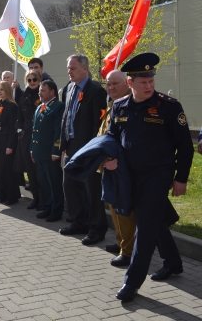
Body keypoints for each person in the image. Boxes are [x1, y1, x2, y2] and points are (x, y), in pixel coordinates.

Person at [105, 53, 194, 302]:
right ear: (131, 82)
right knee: (155, 220)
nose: (149, 85)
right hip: (129, 176)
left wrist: (181, 178)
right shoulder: (120, 107)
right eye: (143, 81)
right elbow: (111, 139)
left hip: (158, 175)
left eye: (151, 79)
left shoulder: (168, 106)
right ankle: (173, 262)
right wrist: (106, 159)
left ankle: (132, 283)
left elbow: (185, 146)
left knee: (144, 228)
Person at [59, 54, 108, 245]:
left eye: (73, 68)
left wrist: (96, 149)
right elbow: (66, 117)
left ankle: (97, 228)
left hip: (88, 148)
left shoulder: (96, 90)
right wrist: (63, 145)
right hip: (71, 146)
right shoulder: (69, 88)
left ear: (85, 69)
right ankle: (79, 221)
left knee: (92, 190)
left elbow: (99, 123)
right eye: (68, 68)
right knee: (70, 185)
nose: (69, 71)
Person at [98, 70, 137, 268]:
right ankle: (122, 242)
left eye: (115, 84)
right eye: (108, 84)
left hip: (121, 166)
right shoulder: (113, 105)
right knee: (113, 206)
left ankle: (128, 251)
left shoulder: (130, 105)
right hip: (109, 165)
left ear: (127, 84)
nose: (111, 88)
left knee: (124, 210)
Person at [31, 80, 65, 221]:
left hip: (50, 153)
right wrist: (32, 150)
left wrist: (56, 151)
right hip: (39, 152)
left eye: (43, 90)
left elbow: (58, 131)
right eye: (39, 90)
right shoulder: (40, 107)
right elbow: (34, 131)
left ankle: (56, 211)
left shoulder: (58, 106)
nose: (40, 93)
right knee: (44, 182)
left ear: (52, 92)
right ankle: (47, 207)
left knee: (54, 183)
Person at [14, 70, 42, 210]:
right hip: (25, 136)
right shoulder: (24, 96)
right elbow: (19, 115)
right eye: (29, 80)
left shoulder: (42, 94)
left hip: (38, 135)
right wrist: (19, 129)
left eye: (34, 80)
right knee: (30, 170)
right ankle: (36, 199)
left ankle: (43, 199)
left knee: (39, 170)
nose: (32, 82)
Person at [0, 81, 19, 204]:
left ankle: (11, 196)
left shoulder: (12, 106)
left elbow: (13, 128)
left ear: (7, 90)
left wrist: (10, 145)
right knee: (0, 169)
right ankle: (3, 193)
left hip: (6, 140)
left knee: (7, 170)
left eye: (1, 89)